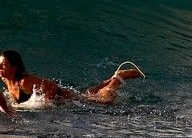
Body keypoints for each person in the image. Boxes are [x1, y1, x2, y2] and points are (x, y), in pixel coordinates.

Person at [0, 50, 145, 118]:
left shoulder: (24, 81)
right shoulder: (5, 79)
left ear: (15, 66)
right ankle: (110, 79)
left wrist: (45, 103)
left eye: (4, 65)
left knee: (104, 101)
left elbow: (52, 87)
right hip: (64, 99)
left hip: (64, 98)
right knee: (87, 95)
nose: (0, 68)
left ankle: (118, 78)